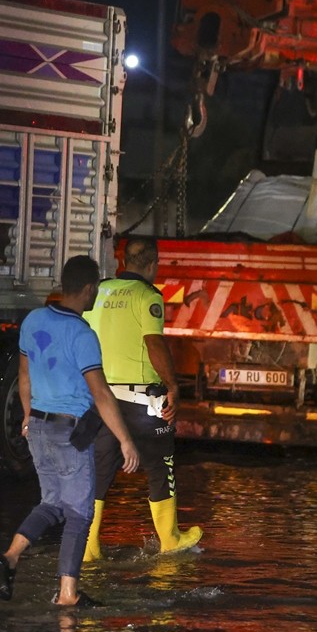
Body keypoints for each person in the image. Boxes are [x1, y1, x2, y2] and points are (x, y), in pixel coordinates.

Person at [0, 255, 140, 607]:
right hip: (70, 433)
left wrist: (27, 416)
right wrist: (125, 440)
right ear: (88, 289)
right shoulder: (82, 335)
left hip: (38, 426)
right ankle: (68, 594)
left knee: (53, 503)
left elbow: (23, 376)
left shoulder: (34, 319)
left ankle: (9, 557)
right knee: (79, 513)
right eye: (95, 291)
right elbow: (101, 393)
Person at [81, 235, 202, 560]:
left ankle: (88, 546)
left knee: (100, 470)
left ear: (122, 261)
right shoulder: (148, 295)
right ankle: (170, 538)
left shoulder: (100, 290)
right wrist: (172, 385)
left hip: (102, 398)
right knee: (160, 465)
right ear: (152, 264)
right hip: (140, 401)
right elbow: (154, 343)